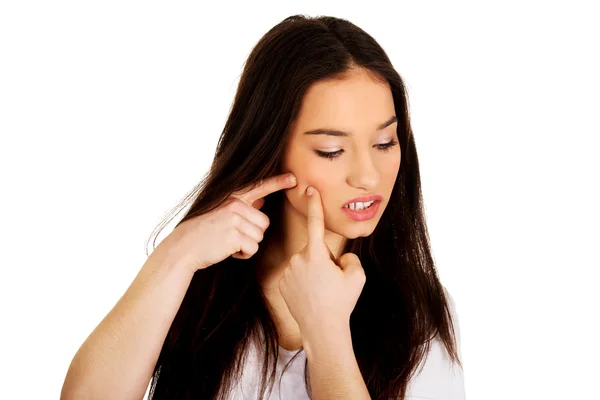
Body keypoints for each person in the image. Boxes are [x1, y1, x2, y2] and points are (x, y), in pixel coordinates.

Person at [61, 14, 465, 400]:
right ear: (272, 148)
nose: (368, 176)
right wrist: (177, 255)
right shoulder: (199, 288)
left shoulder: (421, 314)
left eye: (384, 143)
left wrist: (327, 334)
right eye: (332, 150)